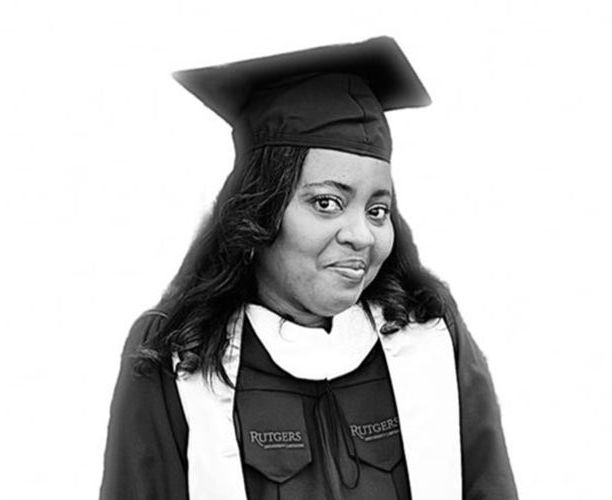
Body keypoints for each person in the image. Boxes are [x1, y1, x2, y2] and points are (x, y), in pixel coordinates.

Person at [100, 37, 518, 500]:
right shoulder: (180, 356)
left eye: (378, 210)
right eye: (327, 203)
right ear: (261, 210)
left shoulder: (428, 334)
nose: (361, 235)